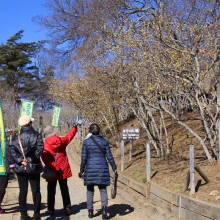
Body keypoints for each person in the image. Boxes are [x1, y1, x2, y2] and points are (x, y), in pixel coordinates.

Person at [79, 123, 117, 219]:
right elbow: (109, 156)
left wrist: (81, 170)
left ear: (90, 131)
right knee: (103, 190)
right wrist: (114, 167)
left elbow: (84, 158)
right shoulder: (104, 141)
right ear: (99, 131)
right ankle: (104, 210)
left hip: (90, 169)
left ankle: (90, 212)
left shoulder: (86, 142)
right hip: (102, 168)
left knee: (90, 190)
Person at [10, 115, 44, 220]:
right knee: (36, 190)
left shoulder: (16, 137)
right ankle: (37, 214)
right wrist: (30, 159)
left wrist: (21, 160)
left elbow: (12, 151)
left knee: (22, 191)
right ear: (30, 123)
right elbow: (40, 148)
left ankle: (23, 215)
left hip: (21, 167)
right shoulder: (36, 135)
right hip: (33, 166)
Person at [41, 125, 77, 216]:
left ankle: (51, 209)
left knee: (51, 190)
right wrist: (74, 128)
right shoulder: (62, 140)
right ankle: (67, 207)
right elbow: (70, 136)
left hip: (52, 170)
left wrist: (54, 167)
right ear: (54, 132)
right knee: (64, 188)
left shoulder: (45, 145)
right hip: (63, 169)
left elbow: (45, 159)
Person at [0, 140, 15, 214]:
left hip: (3, 168)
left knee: (2, 188)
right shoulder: (4, 141)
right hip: (3, 168)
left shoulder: (5, 141)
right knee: (2, 188)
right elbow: (9, 154)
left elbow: (9, 153)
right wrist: (11, 166)